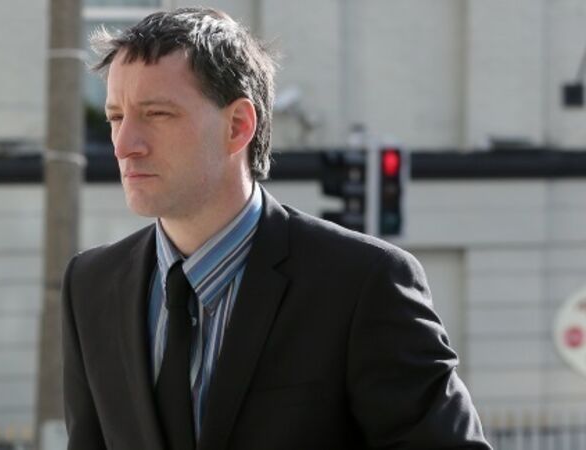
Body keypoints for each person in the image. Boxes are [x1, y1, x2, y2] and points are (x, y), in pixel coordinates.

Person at [62, 7, 491, 450]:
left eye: (156, 114)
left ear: (237, 126)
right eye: (115, 117)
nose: (124, 145)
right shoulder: (90, 287)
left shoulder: (362, 283)